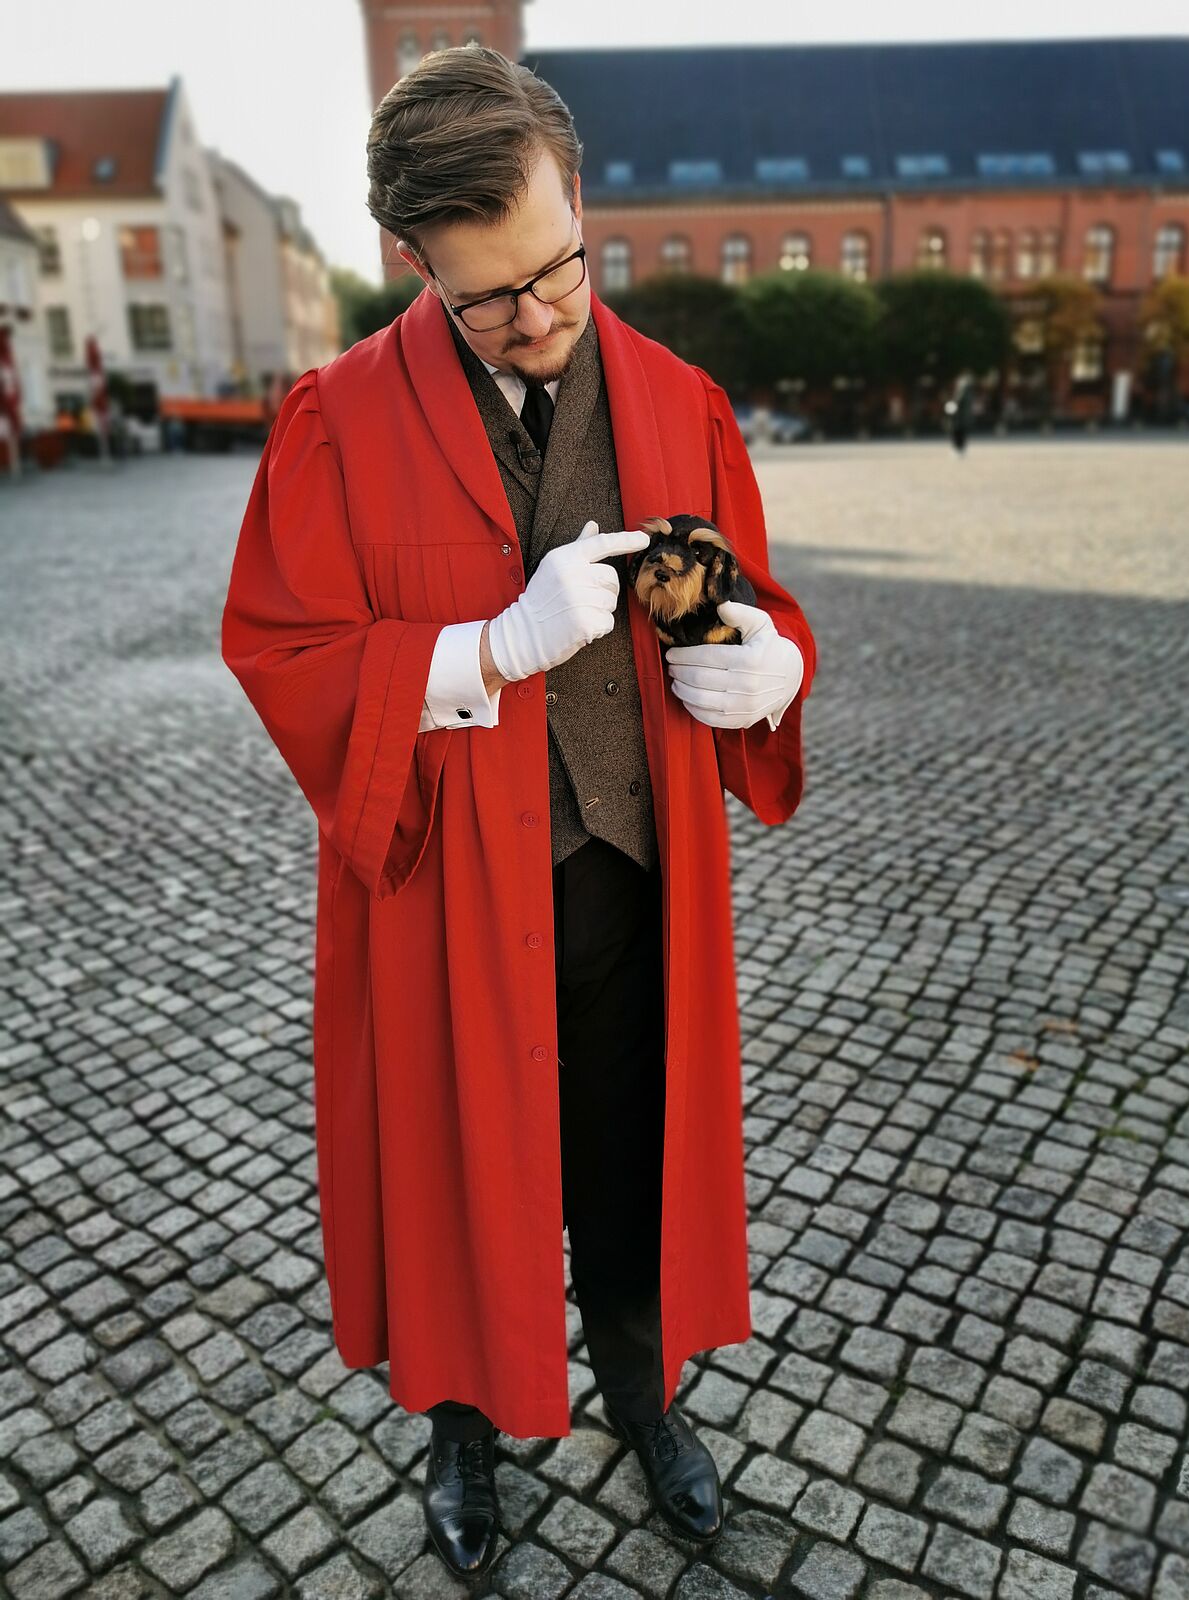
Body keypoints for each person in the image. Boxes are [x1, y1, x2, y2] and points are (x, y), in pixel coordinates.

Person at [221, 44, 817, 1579]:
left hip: (637, 870)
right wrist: (483, 650)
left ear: (576, 195)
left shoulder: (682, 398)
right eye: (490, 295)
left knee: (629, 1154)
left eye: (558, 264)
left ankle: (642, 1393)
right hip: (437, 890)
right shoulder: (337, 421)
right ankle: (464, 1424)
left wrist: (777, 659)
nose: (540, 315)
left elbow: (742, 588)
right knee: (454, 1168)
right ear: (412, 262)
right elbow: (281, 647)